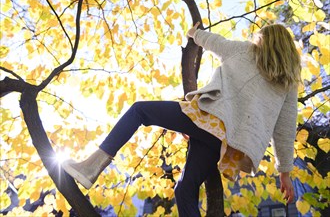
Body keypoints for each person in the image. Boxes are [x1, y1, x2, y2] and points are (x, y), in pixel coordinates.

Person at [62, 22, 301, 216]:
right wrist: (285, 173)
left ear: (262, 41)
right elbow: (285, 130)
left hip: (207, 120)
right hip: (226, 142)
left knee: (139, 111)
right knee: (185, 190)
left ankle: (90, 167)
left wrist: (194, 32)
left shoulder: (245, 51)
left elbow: (214, 42)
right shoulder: (288, 85)